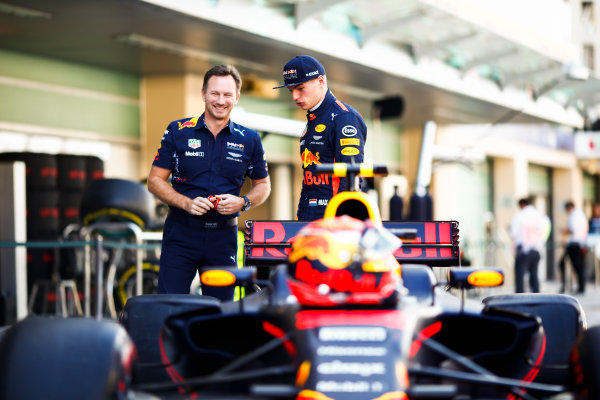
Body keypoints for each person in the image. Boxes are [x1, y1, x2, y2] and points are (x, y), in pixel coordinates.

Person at [148, 64, 271, 300]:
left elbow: (263, 186)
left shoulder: (250, 139)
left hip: (223, 239)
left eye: (227, 95)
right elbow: (154, 181)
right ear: (203, 94)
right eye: (215, 93)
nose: (221, 100)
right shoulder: (178, 131)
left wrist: (243, 202)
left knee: (220, 312)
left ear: (236, 97)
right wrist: (186, 203)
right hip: (180, 234)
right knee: (169, 305)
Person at [273, 55, 367, 221]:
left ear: (321, 81)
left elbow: (351, 178)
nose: (294, 96)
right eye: (291, 90)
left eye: (300, 88)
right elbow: (309, 178)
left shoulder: (344, 118)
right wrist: (300, 217)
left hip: (333, 219)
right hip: (310, 217)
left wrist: (341, 221)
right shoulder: (313, 120)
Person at [509, 197, 551, 293]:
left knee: (520, 275)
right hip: (536, 249)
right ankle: (536, 295)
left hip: (523, 249)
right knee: (534, 275)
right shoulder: (540, 215)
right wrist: (541, 242)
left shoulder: (519, 215)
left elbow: (513, 233)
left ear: (522, 205)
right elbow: (546, 229)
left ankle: (519, 297)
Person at [559, 201, 588, 294]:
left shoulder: (575, 216)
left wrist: (565, 231)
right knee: (577, 266)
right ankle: (578, 286)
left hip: (574, 244)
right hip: (579, 243)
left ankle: (576, 286)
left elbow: (573, 230)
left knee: (576, 266)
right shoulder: (580, 215)